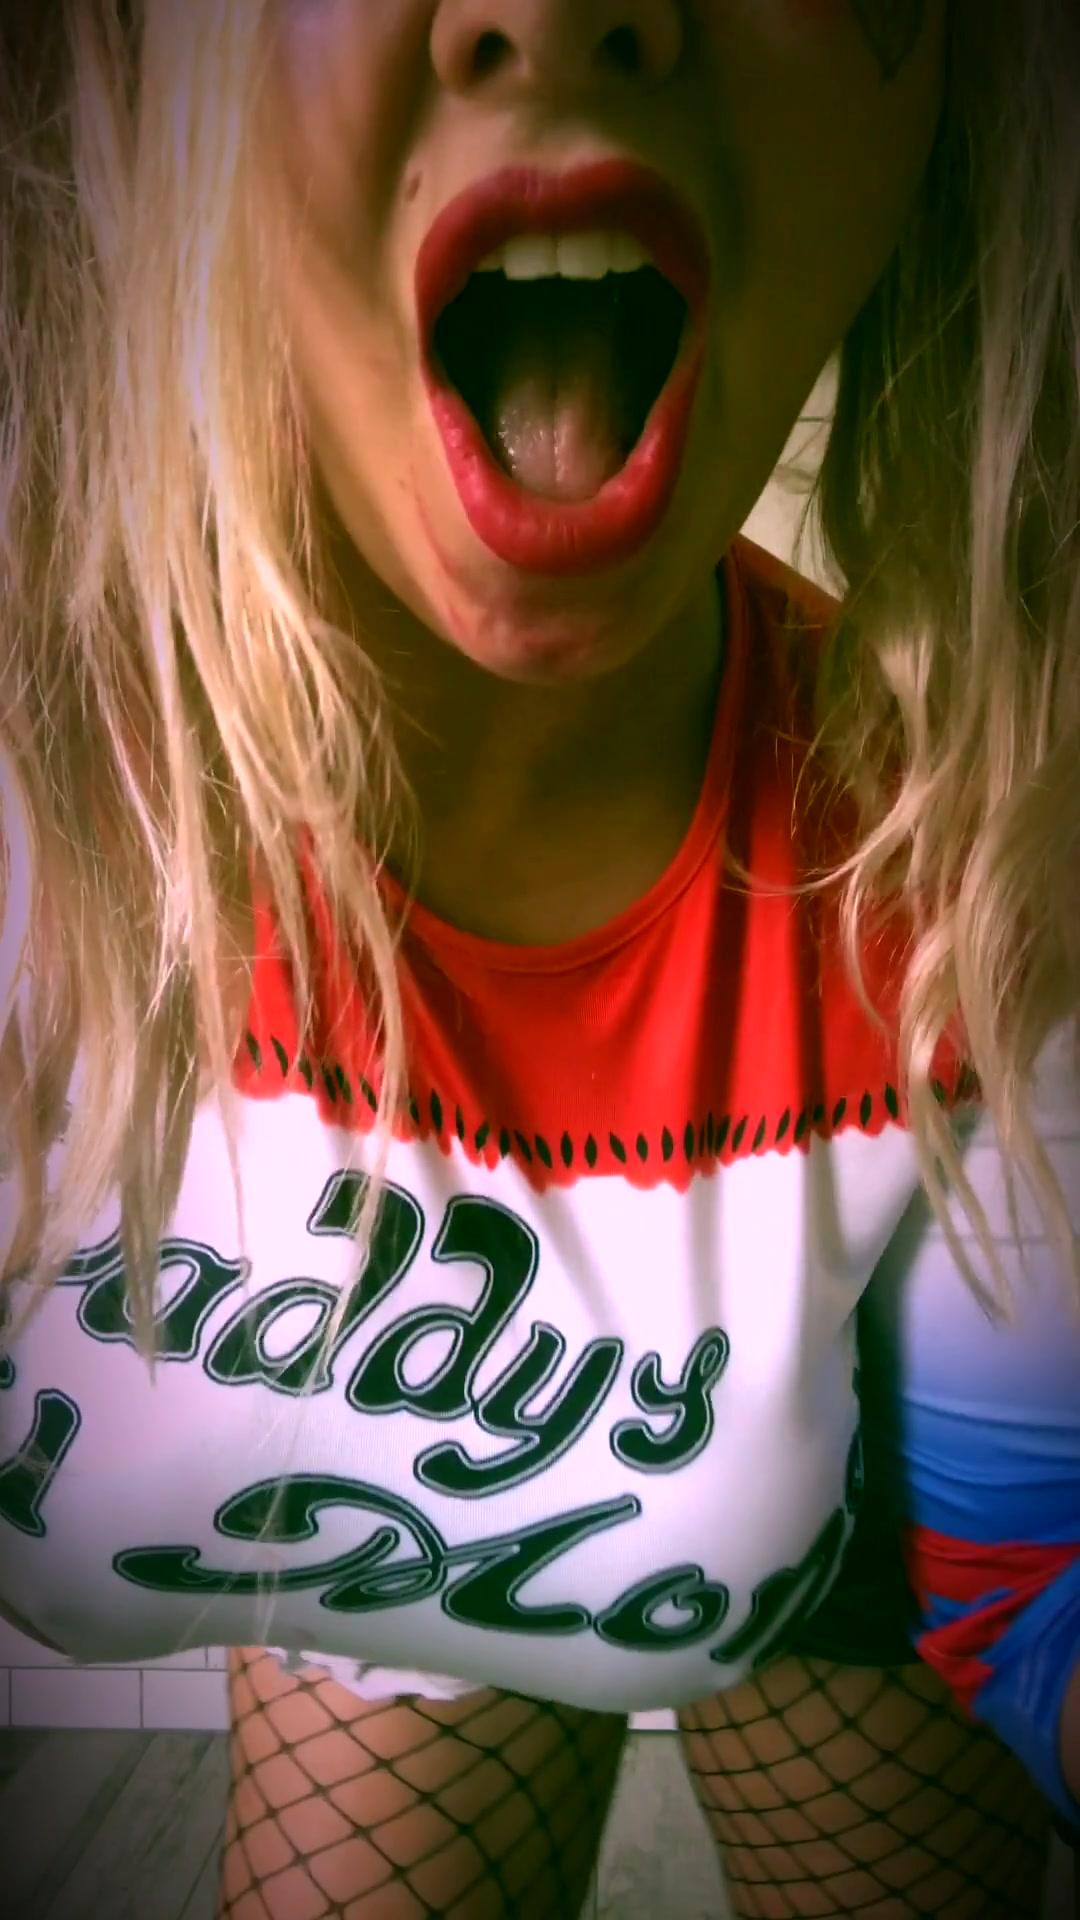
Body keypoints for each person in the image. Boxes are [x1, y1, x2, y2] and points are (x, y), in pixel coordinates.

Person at [1, 2, 1078, 1915]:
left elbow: (1030, 1563)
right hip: (394, 1561)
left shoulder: (987, 883)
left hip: (838, 1548)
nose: (563, 6)